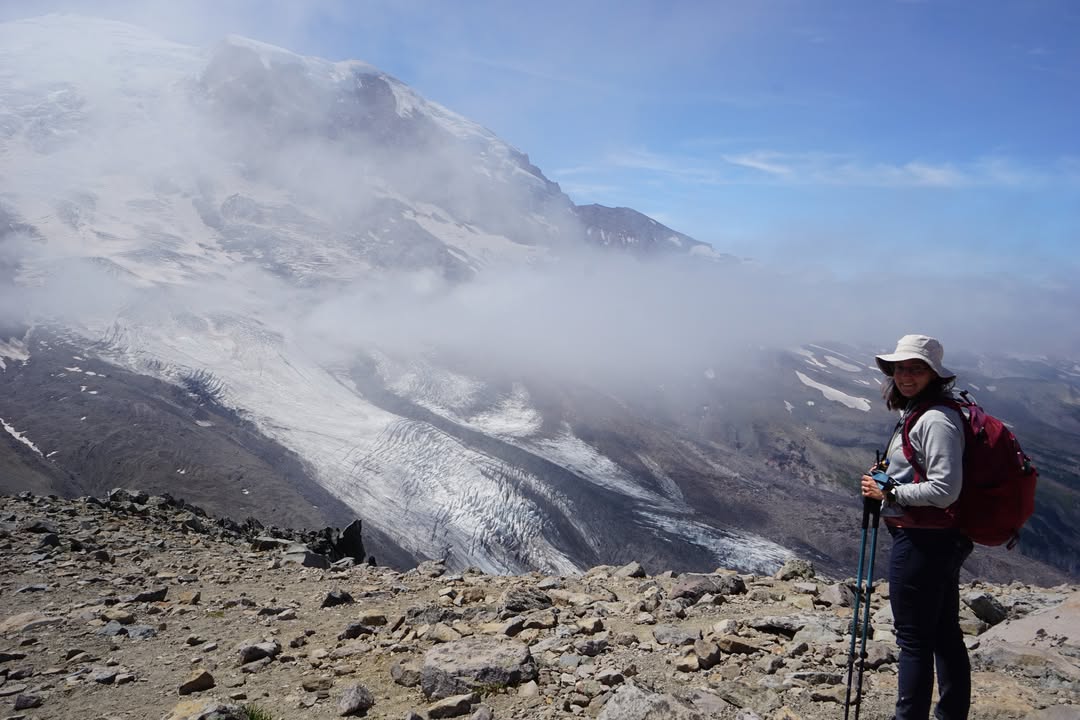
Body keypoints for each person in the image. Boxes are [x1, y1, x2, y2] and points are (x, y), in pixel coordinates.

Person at [860, 334, 974, 720]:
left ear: (933, 374)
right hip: (937, 538)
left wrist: (889, 493)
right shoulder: (919, 411)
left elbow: (945, 489)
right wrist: (888, 477)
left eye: (915, 368)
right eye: (899, 368)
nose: (905, 375)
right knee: (943, 634)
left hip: (924, 539)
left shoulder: (937, 418)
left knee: (913, 640)